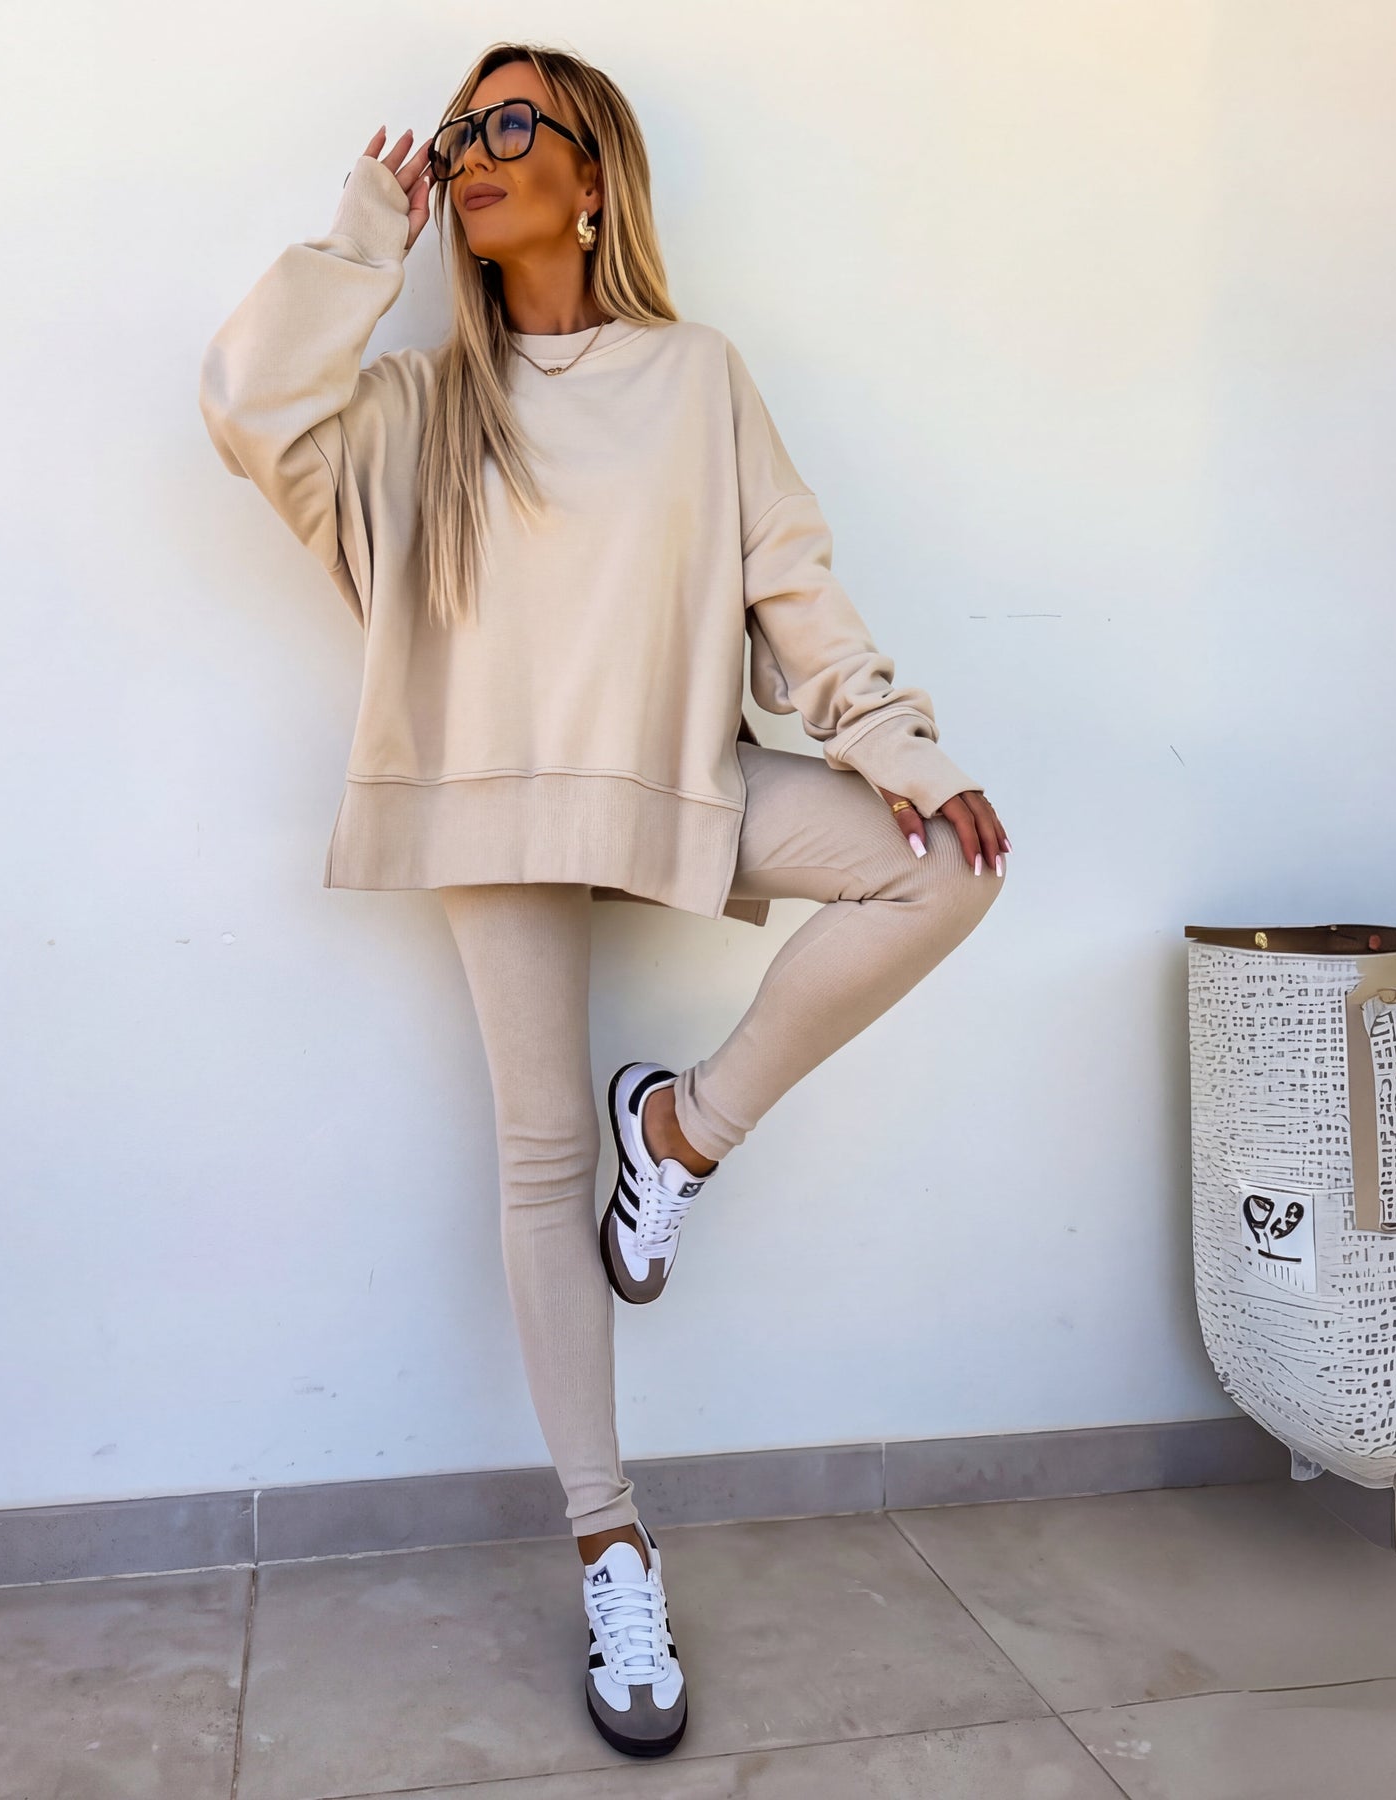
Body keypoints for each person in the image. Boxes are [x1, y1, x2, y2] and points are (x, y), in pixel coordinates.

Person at [198, 39, 1010, 1761]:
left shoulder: (695, 376)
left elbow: (792, 585)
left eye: (516, 124)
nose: (478, 150)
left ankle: (685, 1132)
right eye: (462, 132)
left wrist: (894, 745)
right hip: (489, 807)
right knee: (536, 1160)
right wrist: (365, 233)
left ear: (591, 175)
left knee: (942, 872)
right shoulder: (416, 408)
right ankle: (610, 1545)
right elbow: (248, 406)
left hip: (669, 781)